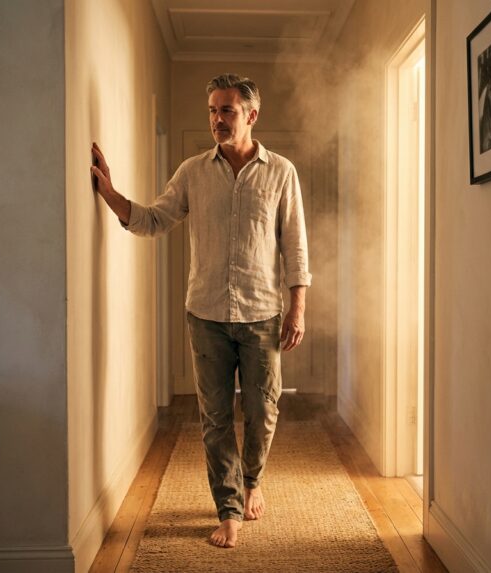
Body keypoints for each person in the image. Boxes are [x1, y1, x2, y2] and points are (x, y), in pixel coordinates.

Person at [89, 74, 311, 549]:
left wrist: (298, 309)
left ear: (251, 115)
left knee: (262, 409)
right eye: (212, 110)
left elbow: (295, 246)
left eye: (227, 110)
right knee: (214, 418)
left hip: (263, 314)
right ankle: (228, 508)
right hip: (206, 315)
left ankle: (253, 481)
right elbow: (152, 220)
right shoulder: (192, 172)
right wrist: (108, 191)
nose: (216, 119)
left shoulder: (281, 173)